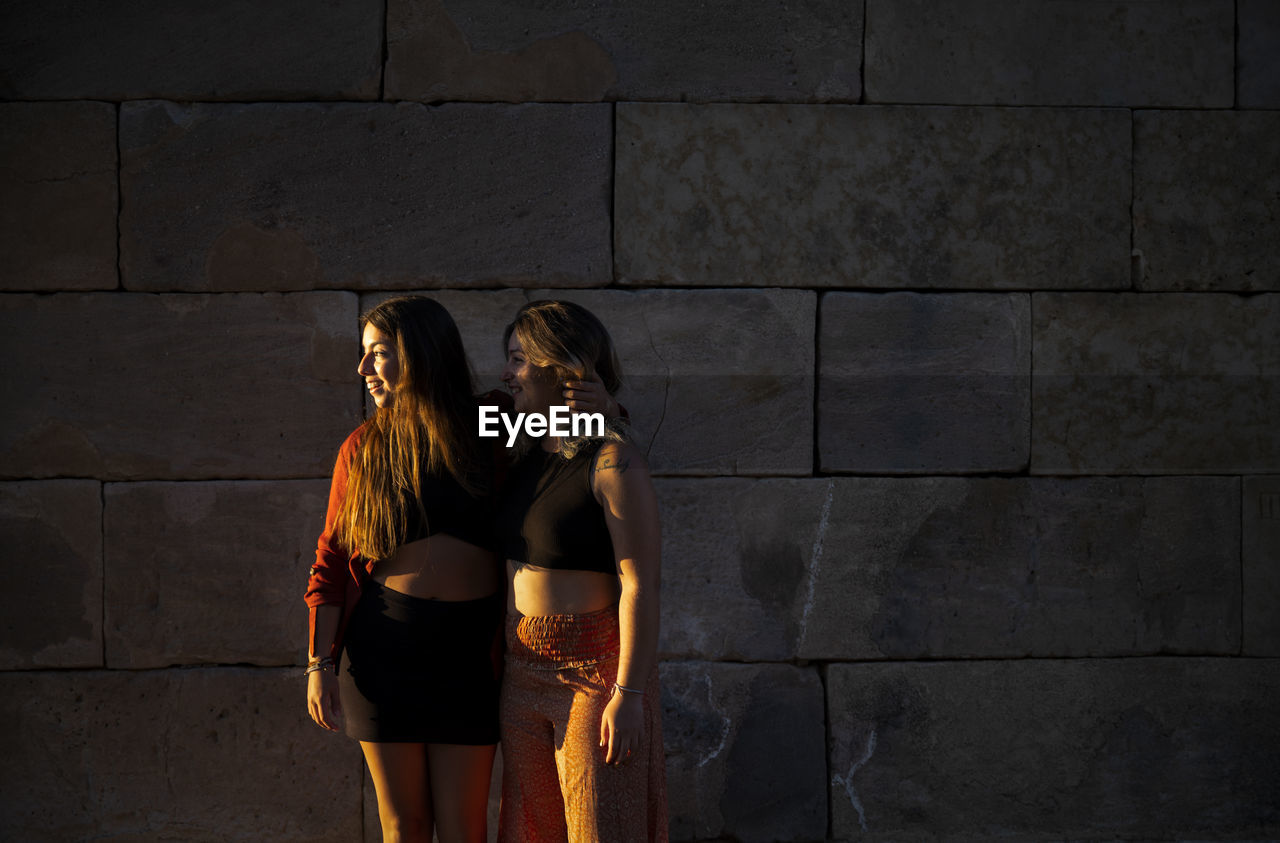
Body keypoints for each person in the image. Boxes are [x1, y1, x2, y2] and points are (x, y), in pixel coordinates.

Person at [303, 295, 615, 843]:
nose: (362, 368)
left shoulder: (490, 422)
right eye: (364, 354)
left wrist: (602, 410)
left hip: (470, 654)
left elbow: (568, 443)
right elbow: (329, 564)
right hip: (382, 652)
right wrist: (317, 665)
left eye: (377, 353)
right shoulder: (362, 447)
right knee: (404, 826)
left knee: (465, 827)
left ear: (418, 351)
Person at [495, 300, 668, 842]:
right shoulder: (517, 440)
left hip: (592, 670)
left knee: (599, 824)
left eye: (519, 360)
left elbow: (641, 584)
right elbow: (457, 421)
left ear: (560, 368)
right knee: (534, 827)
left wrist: (629, 693)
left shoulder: (615, 462)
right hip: (520, 668)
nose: (507, 374)